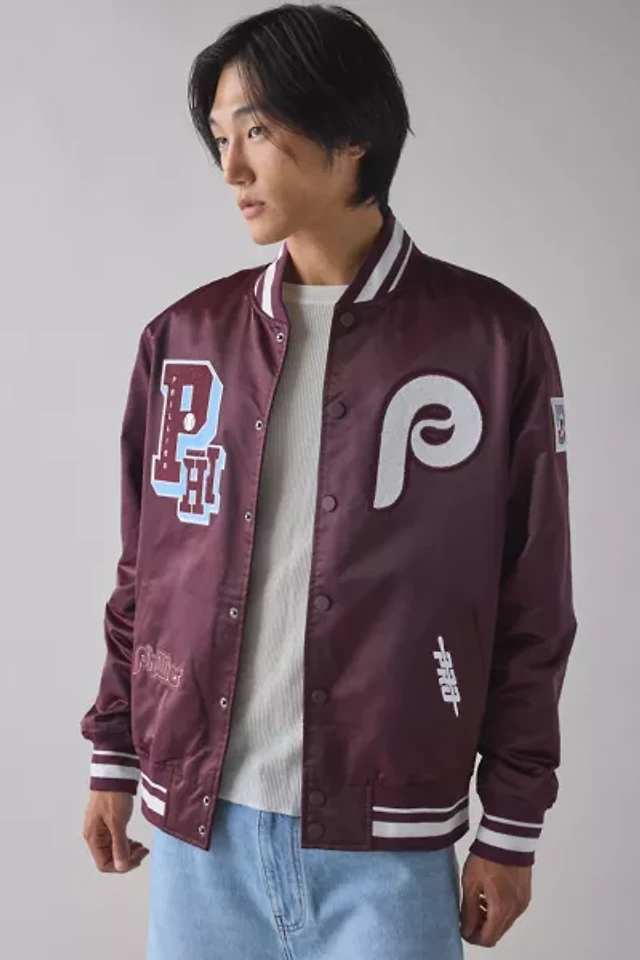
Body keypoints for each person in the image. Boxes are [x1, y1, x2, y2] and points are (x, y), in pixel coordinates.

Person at [80, 4, 578, 958]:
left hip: (388, 844)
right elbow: (147, 570)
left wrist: (512, 822)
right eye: (220, 139)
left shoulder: (492, 340)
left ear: (353, 135)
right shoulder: (184, 340)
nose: (231, 169)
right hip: (199, 835)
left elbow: (533, 597)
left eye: (257, 131)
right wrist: (114, 753)